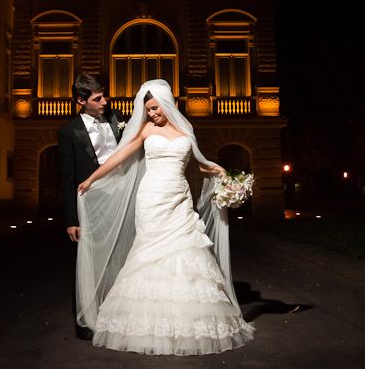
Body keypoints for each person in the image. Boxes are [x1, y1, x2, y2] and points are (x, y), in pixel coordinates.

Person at [75, 79, 254, 355]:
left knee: (187, 249)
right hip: (151, 199)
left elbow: (200, 163)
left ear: (168, 103)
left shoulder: (186, 129)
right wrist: (91, 179)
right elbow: (120, 157)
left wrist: (221, 173)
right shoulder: (146, 129)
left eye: (156, 108)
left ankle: (188, 321)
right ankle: (143, 323)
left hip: (179, 199)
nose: (153, 114)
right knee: (149, 252)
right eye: (148, 110)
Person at [58, 73, 125, 340]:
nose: (105, 102)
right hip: (90, 206)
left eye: (104, 96)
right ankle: (85, 320)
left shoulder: (117, 118)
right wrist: (71, 220)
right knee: (87, 262)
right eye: (98, 99)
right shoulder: (68, 131)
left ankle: (116, 314)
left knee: (119, 257)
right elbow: (67, 179)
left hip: (120, 200)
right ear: (80, 100)